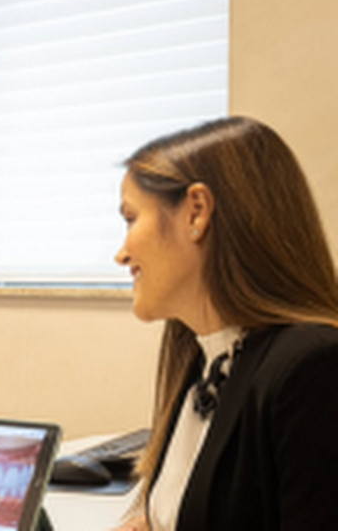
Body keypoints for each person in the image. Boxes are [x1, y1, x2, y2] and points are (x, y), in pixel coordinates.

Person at [111, 116, 338, 531]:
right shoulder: (205, 356)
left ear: (196, 212)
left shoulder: (313, 367)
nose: (122, 254)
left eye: (130, 218)